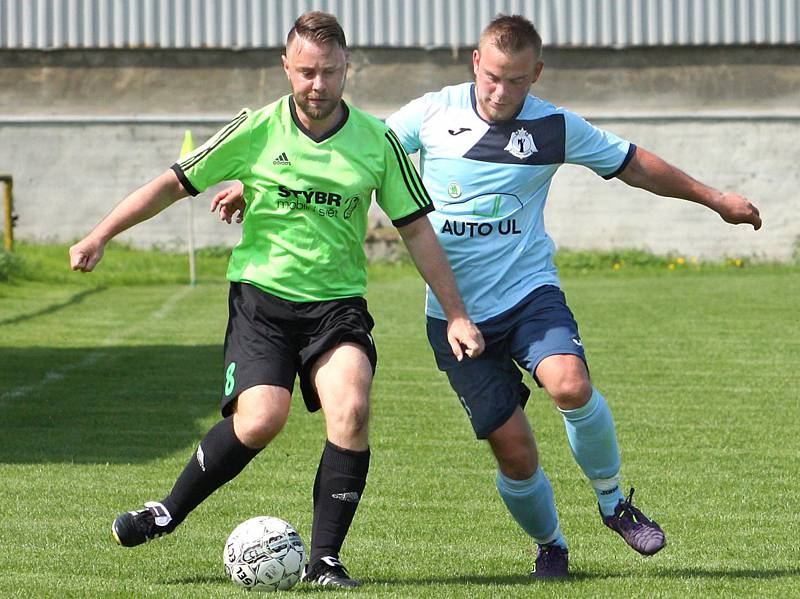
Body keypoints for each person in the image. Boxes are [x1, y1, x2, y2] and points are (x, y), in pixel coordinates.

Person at [214, 14, 762, 579]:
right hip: (455, 320)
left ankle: (613, 501)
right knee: (516, 451)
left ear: (537, 74)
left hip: (528, 295)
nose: (501, 92)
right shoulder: (430, 114)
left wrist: (714, 198)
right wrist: (250, 182)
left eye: (517, 81)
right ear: (476, 62)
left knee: (570, 383)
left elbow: (633, 164)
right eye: (493, 76)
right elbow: (345, 152)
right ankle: (551, 546)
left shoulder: (555, 127)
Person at [68, 11, 483, 589]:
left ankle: (326, 561)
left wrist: (457, 312)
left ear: (348, 69)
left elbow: (416, 230)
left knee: (352, 409)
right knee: (262, 420)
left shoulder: (378, 140)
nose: (318, 86)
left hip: (337, 305)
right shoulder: (255, 128)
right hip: (262, 302)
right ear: (285, 67)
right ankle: (167, 510)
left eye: (330, 73)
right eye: (306, 72)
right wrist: (101, 234)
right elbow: (172, 182)